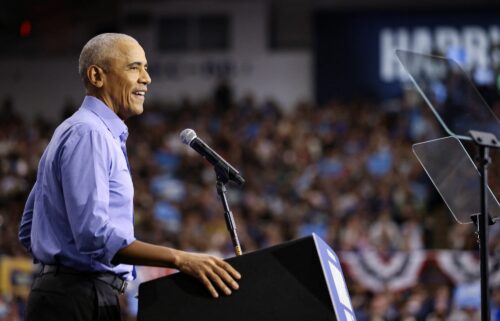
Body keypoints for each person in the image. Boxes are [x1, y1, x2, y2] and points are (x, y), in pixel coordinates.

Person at [18, 33, 241, 321]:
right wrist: (180, 258)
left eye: (146, 68)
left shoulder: (81, 131)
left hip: (71, 294)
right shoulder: (91, 135)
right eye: (134, 67)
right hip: (76, 298)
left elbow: (28, 229)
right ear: (97, 75)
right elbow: (92, 235)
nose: (146, 78)